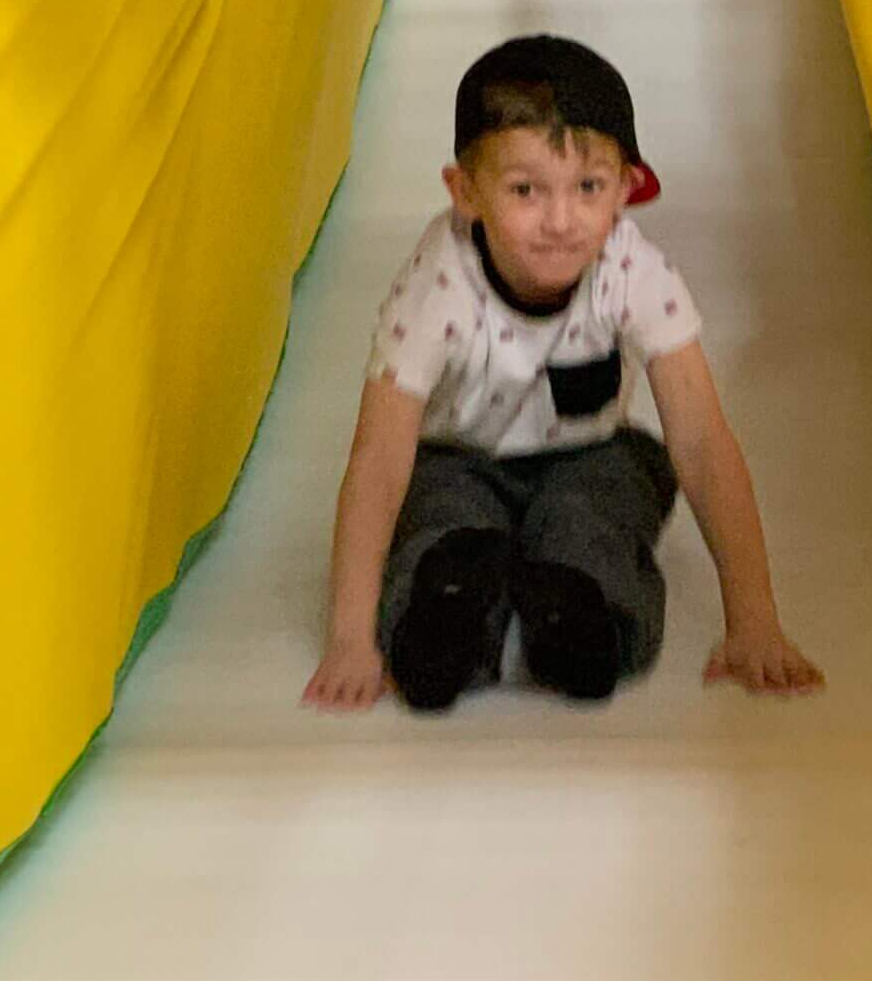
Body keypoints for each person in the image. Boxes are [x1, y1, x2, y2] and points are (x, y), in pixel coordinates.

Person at [303, 35, 823, 713]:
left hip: (590, 454)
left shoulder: (632, 272)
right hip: (457, 456)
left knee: (594, 518)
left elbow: (700, 442)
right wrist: (349, 640)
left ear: (625, 189)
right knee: (440, 520)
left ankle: (581, 614)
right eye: (525, 190)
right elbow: (379, 458)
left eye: (589, 188)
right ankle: (449, 618)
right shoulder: (438, 284)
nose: (560, 220)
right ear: (466, 192)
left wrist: (754, 622)